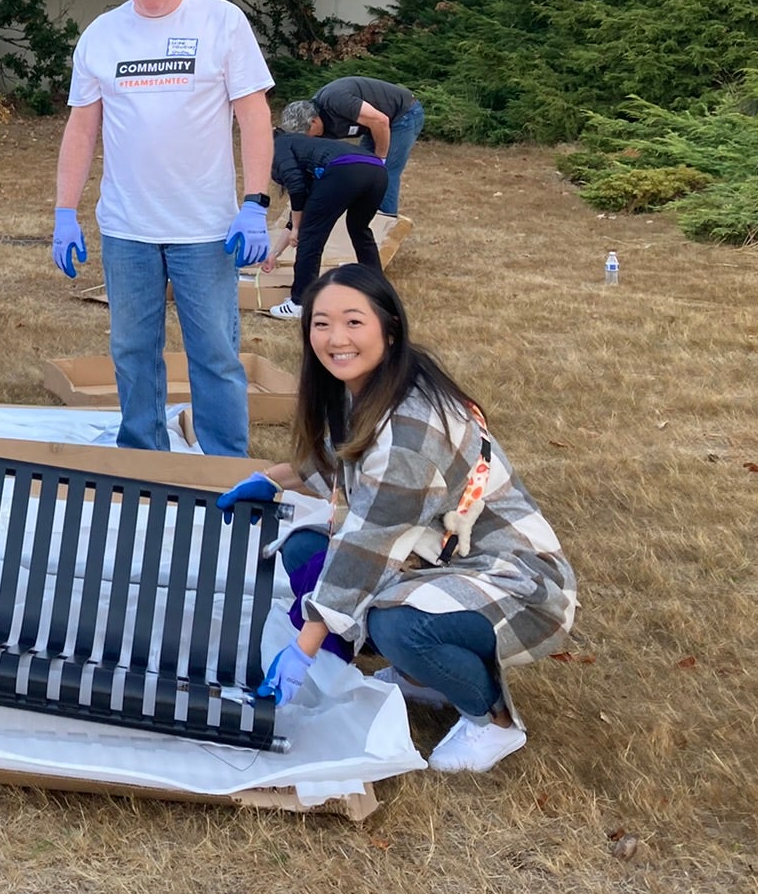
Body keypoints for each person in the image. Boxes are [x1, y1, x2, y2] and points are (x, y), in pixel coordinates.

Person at [215, 265, 576, 773]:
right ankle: (422, 678)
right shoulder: (370, 385)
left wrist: (303, 648)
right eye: (321, 323)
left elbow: (366, 548)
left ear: (389, 327)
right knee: (305, 550)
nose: (335, 338)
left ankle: (492, 721)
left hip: (520, 583)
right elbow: (340, 457)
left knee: (398, 626)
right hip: (440, 552)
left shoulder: (412, 431)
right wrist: (271, 481)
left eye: (353, 322)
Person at [51, 0, 274, 459]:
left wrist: (255, 203)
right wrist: (64, 212)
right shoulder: (102, 35)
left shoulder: (221, 23)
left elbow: (255, 116)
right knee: (131, 349)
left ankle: (225, 464)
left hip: (205, 227)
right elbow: (82, 128)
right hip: (127, 226)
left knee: (215, 351)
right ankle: (142, 456)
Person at [262, 129, 388, 321]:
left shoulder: (277, 148)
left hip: (345, 170)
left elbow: (296, 188)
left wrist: (297, 229)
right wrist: (274, 254)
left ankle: (300, 303)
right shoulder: (305, 147)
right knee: (359, 228)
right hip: (377, 170)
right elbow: (305, 209)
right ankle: (380, 293)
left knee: (311, 237)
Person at [280, 76, 423, 218]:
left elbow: (380, 121)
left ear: (314, 121)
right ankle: (363, 219)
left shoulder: (336, 100)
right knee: (365, 172)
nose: (309, 139)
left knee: (384, 173)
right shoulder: (315, 124)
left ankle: (386, 227)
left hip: (403, 114)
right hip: (372, 125)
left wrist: (381, 158)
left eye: (307, 134)